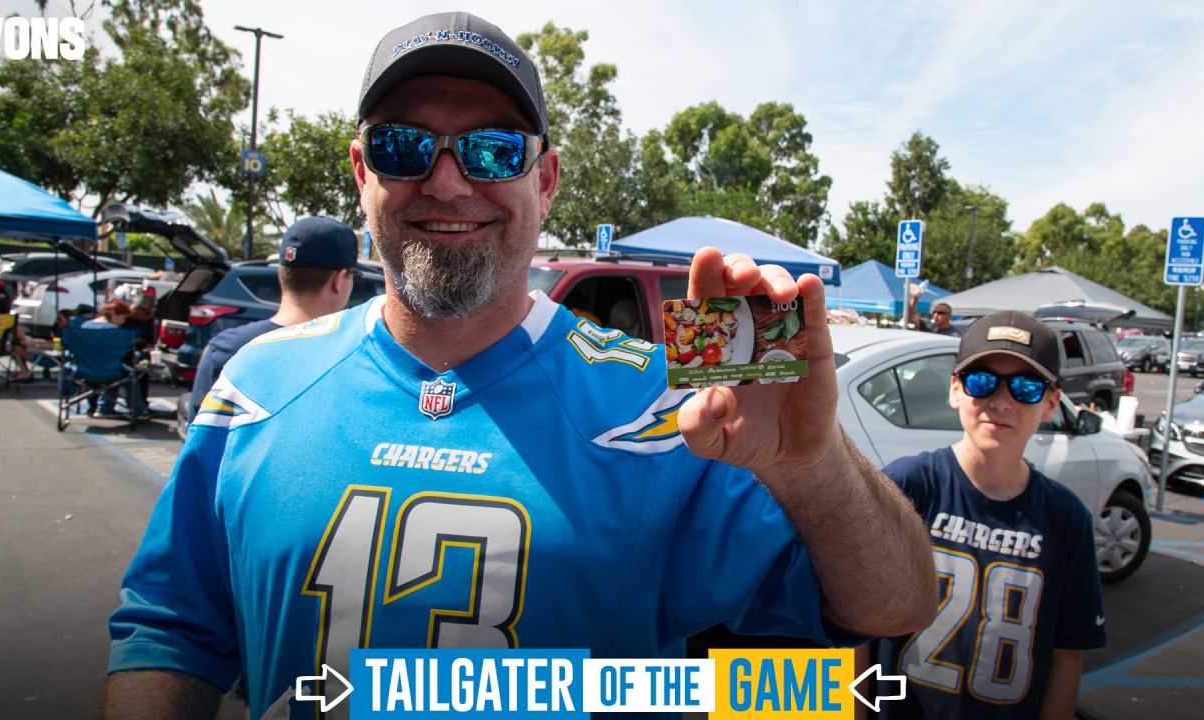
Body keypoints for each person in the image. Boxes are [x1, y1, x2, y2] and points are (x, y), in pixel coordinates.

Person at [104, 12, 937, 719]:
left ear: (545, 180)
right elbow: (170, 629)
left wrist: (814, 464)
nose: (445, 180)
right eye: (402, 147)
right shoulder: (259, 382)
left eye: (493, 151)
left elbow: (893, 611)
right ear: (361, 174)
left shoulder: (667, 403)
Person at [861, 310, 1106, 718]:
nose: (1000, 401)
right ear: (955, 390)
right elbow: (857, 634)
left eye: (1025, 387)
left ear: (1051, 403)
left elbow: (1066, 658)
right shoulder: (908, 485)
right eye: (982, 381)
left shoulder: (1066, 519)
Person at [187, 216, 359, 413]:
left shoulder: (223, 350)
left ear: (281, 272)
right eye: (354, 276)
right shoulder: (350, 358)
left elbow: (200, 435)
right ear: (338, 280)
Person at [80, 299, 145, 419]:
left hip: (83, 370)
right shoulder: (115, 332)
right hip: (110, 370)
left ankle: (105, 407)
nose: (123, 322)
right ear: (114, 314)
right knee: (128, 373)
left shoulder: (84, 326)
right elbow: (125, 352)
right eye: (123, 318)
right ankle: (138, 410)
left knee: (114, 371)